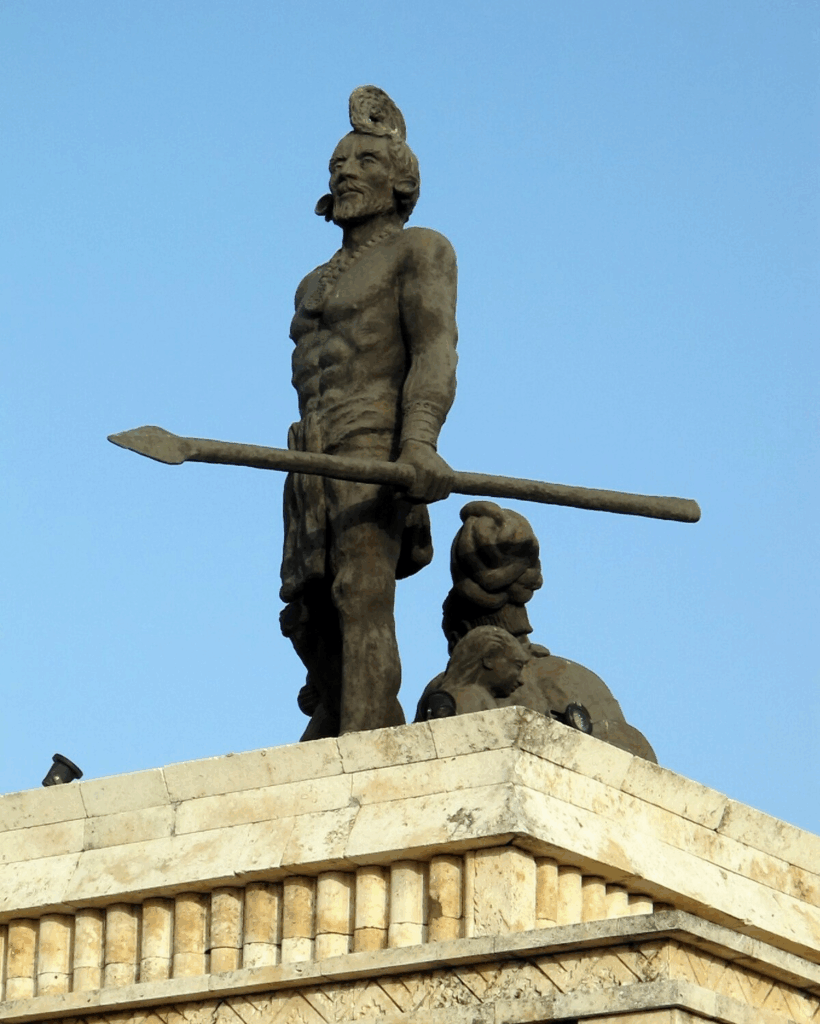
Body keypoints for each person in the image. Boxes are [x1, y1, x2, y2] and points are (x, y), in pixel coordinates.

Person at [280, 87, 458, 739]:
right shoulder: (313, 281)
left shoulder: (420, 251)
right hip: (308, 450)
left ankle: (365, 748)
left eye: (364, 161)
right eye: (338, 164)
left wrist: (420, 442)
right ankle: (346, 719)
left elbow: (435, 348)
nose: (346, 172)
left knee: (360, 591)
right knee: (309, 611)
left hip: (372, 439)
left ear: (400, 181)